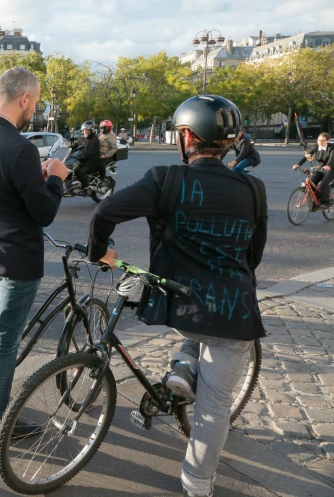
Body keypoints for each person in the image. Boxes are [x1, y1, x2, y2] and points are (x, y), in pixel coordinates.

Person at [87, 94, 267, 497]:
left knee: (196, 335)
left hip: (182, 307)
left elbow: (104, 213)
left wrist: (99, 252)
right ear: (228, 142)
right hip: (234, 313)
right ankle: (197, 484)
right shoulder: (253, 188)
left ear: (186, 136)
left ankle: (184, 365)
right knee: (215, 407)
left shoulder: (165, 179)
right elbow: (253, 256)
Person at [0, 67, 69, 441]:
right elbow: (44, 213)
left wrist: (32, 176)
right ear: (23, 98)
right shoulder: (20, 147)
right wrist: (56, 178)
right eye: (35, 103)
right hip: (16, 258)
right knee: (6, 338)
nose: (34, 110)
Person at [293, 132, 333, 205]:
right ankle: (317, 201)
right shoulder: (315, 146)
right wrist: (298, 164)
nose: (320, 142)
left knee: (323, 184)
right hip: (320, 168)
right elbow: (307, 156)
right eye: (319, 140)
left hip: (331, 169)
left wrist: (328, 166)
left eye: (323, 140)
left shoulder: (332, 148)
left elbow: (332, 159)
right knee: (312, 184)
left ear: (327, 141)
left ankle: (325, 202)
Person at [74, 120, 101, 189]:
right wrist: (69, 148)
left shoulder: (95, 140)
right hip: (82, 160)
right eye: (84, 130)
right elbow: (75, 145)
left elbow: (89, 153)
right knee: (71, 168)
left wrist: (79, 156)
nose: (84, 132)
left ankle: (86, 187)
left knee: (80, 171)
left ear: (92, 130)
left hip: (90, 162)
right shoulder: (82, 139)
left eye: (86, 130)